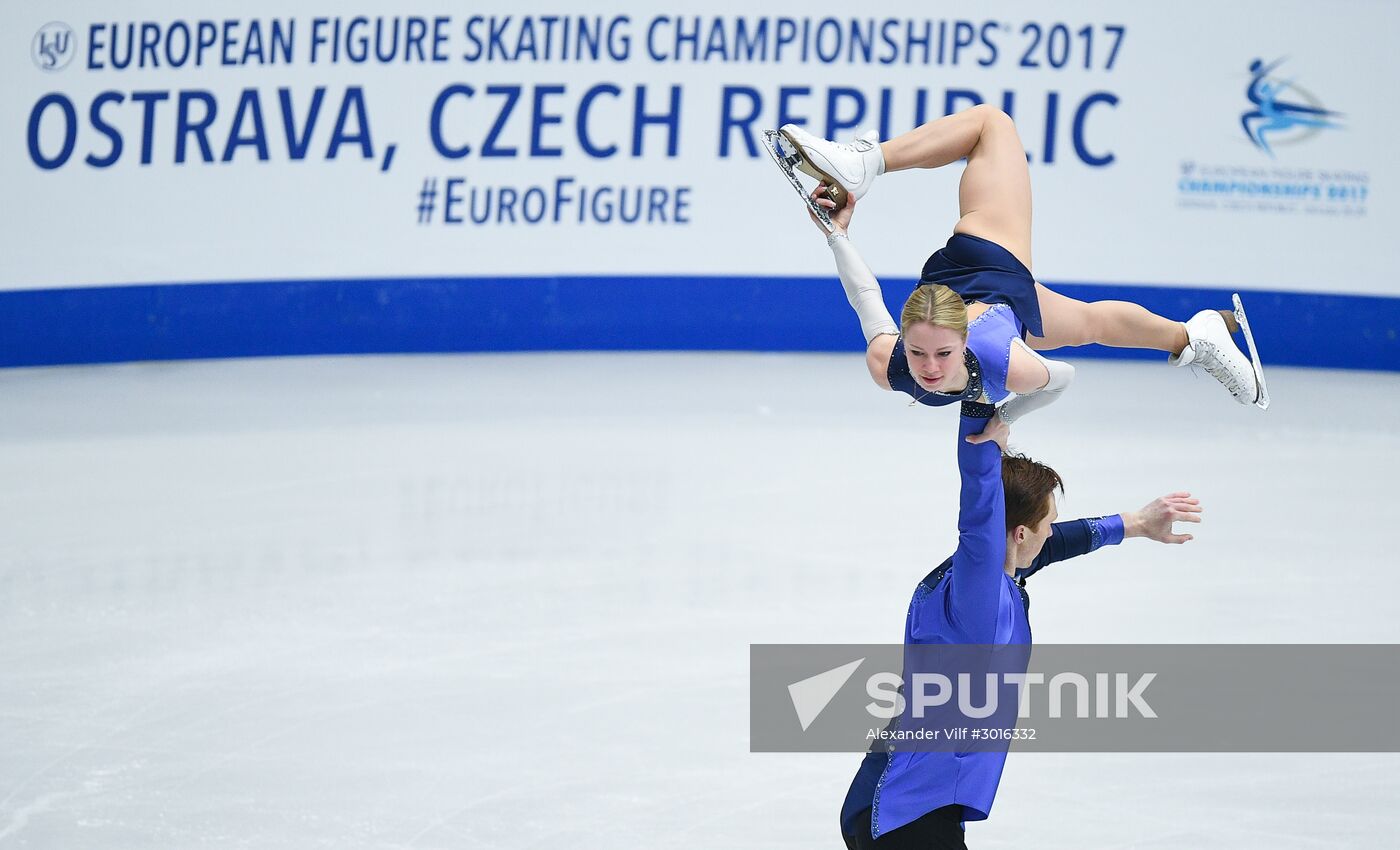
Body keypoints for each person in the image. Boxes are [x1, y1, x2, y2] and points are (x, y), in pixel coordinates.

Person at [838, 406, 1203, 848]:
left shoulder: (996, 580)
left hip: (909, 803)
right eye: (1045, 524)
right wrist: (982, 443)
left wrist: (1136, 524)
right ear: (1018, 534)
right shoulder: (979, 593)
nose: (1051, 533)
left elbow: (1053, 545)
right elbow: (978, 517)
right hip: (906, 814)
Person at [778, 105, 1263, 422]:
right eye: (922, 354)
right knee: (1091, 322)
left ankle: (866, 161)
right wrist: (837, 231)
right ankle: (1194, 337)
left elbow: (867, 300)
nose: (926, 369)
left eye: (941, 355)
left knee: (992, 126)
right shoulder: (913, 363)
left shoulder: (977, 360)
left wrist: (1001, 421)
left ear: (964, 342)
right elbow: (867, 300)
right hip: (995, 305)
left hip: (982, 258)